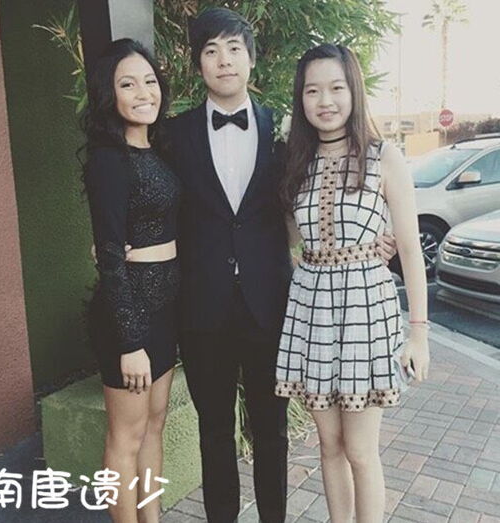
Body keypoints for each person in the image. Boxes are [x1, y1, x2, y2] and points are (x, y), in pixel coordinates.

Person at [160, 9, 397, 523]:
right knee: (213, 431)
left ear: (251, 59)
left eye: (234, 49)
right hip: (202, 308)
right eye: (211, 51)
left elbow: (319, 205)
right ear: (198, 64)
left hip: (273, 307)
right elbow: (155, 202)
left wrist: (375, 242)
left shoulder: (287, 133)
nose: (224, 60)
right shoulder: (173, 135)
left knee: (272, 432)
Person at [275, 43, 430, 523]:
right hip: (312, 311)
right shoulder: (294, 162)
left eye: (336, 88)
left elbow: (409, 250)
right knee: (329, 443)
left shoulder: (384, 157)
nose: (325, 100)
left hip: (366, 309)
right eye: (312, 90)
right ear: (301, 98)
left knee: (361, 450)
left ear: (354, 91)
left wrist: (419, 333)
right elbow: (290, 239)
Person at [83, 38, 180, 523]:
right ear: (110, 94)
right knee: (125, 437)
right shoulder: (109, 159)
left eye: (149, 80)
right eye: (128, 84)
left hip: (164, 310)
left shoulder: (157, 150)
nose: (143, 92)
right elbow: (109, 257)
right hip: (130, 316)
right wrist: (129, 341)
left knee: (154, 426)